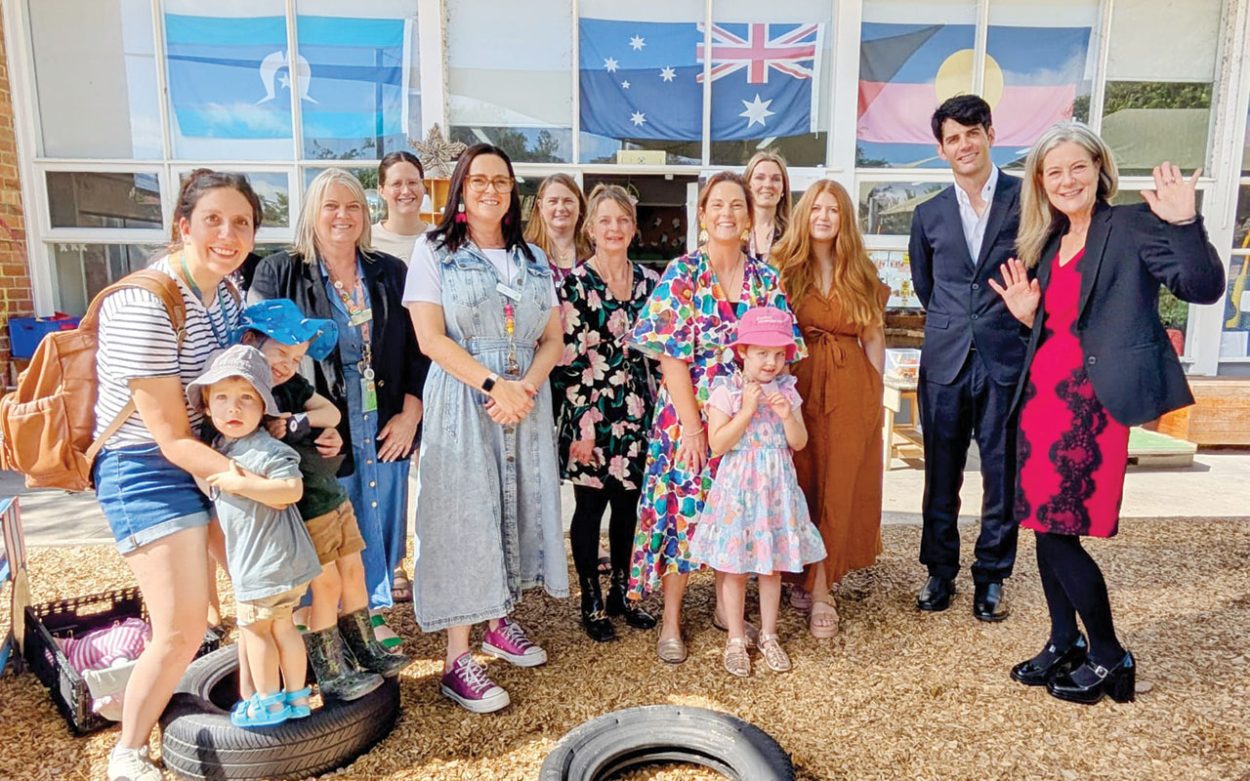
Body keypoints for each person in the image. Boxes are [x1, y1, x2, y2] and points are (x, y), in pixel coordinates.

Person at [990, 122, 1224, 704]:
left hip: (1090, 408)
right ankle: (1063, 640)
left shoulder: (1134, 226)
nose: (1067, 180)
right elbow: (1063, 327)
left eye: (1077, 167)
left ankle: (1109, 655)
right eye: (1054, 172)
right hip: (1041, 401)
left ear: (1099, 169)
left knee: (1060, 534)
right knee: (1041, 529)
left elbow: (1203, 286)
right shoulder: (1047, 243)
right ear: (1041, 185)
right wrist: (1027, 318)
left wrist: (1186, 223)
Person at [94, 170, 260, 781]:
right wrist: (253, 482)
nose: (228, 233)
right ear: (183, 226)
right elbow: (167, 436)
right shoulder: (145, 301)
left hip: (205, 452)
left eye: (241, 222)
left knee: (263, 584)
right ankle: (128, 751)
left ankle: (255, 699)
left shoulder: (227, 292)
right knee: (184, 624)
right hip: (146, 467)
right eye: (213, 219)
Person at [403, 143, 569, 714]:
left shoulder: (534, 260)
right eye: (478, 181)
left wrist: (523, 388)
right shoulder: (433, 251)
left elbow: (553, 339)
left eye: (500, 180)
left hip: (524, 398)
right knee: (463, 513)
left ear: (512, 191)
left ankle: (501, 619)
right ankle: (456, 657)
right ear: (461, 190)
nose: (490, 189)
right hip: (463, 397)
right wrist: (494, 386)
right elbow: (430, 337)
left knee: (515, 504)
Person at [626, 171, 801, 665]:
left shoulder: (766, 279)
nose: (727, 213)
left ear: (749, 218)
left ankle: (731, 614)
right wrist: (695, 428)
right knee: (683, 513)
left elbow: (784, 350)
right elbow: (670, 356)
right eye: (716, 205)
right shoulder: (683, 273)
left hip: (750, 421)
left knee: (742, 515)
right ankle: (672, 621)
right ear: (701, 215)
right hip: (689, 415)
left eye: (737, 206)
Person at [249, 169, 427, 646]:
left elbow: (418, 348)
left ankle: (367, 614)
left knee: (378, 514)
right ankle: (320, 622)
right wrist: (286, 422)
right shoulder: (279, 270)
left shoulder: (389, 271)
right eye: (331, 206)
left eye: (352, 206)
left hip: (385, 418)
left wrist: (411, 413)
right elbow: (259, 352)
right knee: (328, 518)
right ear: (312, 213)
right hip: (321, 420)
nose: (342, 216)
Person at [239, 299, 408, 694]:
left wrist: (299, 421)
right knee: (327, 585)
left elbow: (331, 414)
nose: (287, 364)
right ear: (251, 342)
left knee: (355, 573)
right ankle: (332, 669)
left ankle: (366, 649)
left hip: (331, 497)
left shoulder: (292, 388)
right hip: (306, 507)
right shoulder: (248, 394)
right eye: (281, 352)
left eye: (296, 358)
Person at [908, 94, 1024, 621]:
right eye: (953, 138)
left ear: (990, 133)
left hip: (1005, 357)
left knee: (1001, 474)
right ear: (942, 149)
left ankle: (992, 576)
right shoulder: (927, 214)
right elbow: (927, 286)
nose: (964, 145)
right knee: (941, 471)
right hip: (947, 359)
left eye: (971, 133)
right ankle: (939, 570)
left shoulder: (1029, 200)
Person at [773, 180, 888, 638]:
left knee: (838, 485)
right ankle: (791, 572)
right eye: (816, 208)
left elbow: (875, 337)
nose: (823, 216)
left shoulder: (860, 271)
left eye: (833, 210)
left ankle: (822, 586)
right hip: (796, 385)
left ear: (845, 219)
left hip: (849, 386)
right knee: (798, 479)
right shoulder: (782, 268)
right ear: (804, 215)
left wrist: (875, 395)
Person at [188, 345, 321, 727]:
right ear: (208, 406)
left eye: (247, 398)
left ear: (263, 407)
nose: (234, 409)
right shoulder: (222, 447)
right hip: (281, 561)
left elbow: (290, 490)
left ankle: (267, 700)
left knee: (257, 630)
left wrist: (238, 484)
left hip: (265, 562)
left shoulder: (263, 449)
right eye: (223, 399)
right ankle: (296, 695)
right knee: (283, 625)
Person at [550, 184, 660, 642]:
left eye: (623, 220)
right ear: (590, 228)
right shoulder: (572, 285)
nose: (614, 228)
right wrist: (585, 424)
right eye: (605, 220)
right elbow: (566, 361)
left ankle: (622, 591)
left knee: (629, 507)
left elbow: (661, 353)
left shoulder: (653, 284)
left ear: (633, 228)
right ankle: (590, 599)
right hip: (590, 412)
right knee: (590, 505)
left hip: (638, 411)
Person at [689, 307, 824, 677]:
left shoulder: (787, 391)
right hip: (739, 492)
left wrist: (785, 415)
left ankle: (768, 635)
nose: (772, 362)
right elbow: (717, 444)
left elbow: (799, 442)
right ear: (743, 351)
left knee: (771, 567)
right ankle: (735, 637)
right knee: (734, 568)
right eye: (763, 353)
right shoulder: (727, 391)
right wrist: (746, 412)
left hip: (775, 491)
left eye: (779, 354)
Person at [524, 173, 591, 282]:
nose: (560, 208)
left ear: (579, 205)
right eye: (553, 201)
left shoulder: (595, 253)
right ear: (540, 206)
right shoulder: (526, 254)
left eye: (568, 201)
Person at [372, 151, 429, 264]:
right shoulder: (366, 241)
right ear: (381, 191)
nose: (406, 191)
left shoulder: (442, 239)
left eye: (412, 182)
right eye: (396, 184)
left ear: (423, 186)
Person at [744, 152, 792, 264]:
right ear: (747, 185)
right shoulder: (734, 232)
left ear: (783, 189)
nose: (768, 185)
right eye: (760, 178)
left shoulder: (793, 236)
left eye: (776, 179)